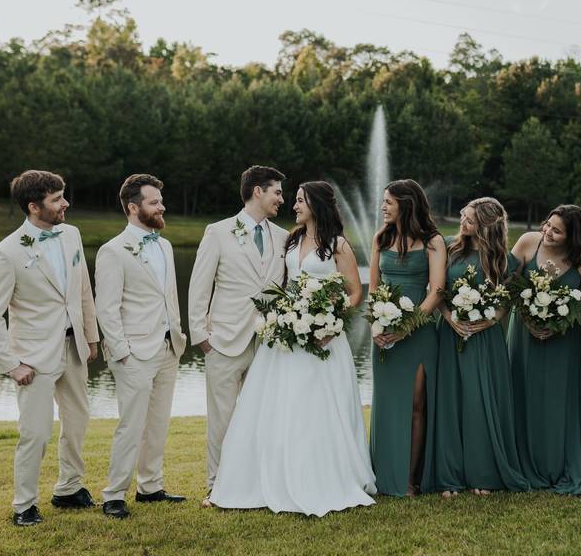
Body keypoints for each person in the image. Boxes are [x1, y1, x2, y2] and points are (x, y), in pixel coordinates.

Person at [210, 181, 376, 516]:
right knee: (280, 404)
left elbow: (355, 293)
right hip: (288, 336)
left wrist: (331, 321)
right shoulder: (292, 239)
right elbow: (286, 285)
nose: (294, 205)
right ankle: (268, 474)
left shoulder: (338, 245)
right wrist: (286, 316)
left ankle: (321, 475)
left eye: (300, 200)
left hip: (324, 339)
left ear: (316, 204)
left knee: (317, 406)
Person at [0, 170, 99, 526]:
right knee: (37, 433)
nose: (66, 204)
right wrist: (11, 364)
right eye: (57, 199)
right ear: (34, 206)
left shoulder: (72, 235)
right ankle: (24, 504)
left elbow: (82, 289)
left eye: (63, 196)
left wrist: (90, 336)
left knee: (77, 422)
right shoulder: (7, 252)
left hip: (73, 348)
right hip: (33, 358)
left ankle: (69, 489)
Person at [188, 166, 289, 508]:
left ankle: (257, 483)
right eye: (276, 191)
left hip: (270, 343)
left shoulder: (283, 237)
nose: (281, 199)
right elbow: (199, 286)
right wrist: (201, 334)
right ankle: (217, 486)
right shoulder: (217, 233)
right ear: (257, 192)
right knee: (222, 419)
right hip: (225, 339)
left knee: (261, 416)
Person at [96, 174, 188, 519]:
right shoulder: (112, 251)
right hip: (133, 352)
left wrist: (176, 336)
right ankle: (114, 495)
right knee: (130, 426)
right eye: (154, 202)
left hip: (167, 347)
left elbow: (169, 296)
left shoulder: (163, 244)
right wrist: (121, 352)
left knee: (158, 423)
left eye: (161, 201)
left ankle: (150, 487)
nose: (162, 207)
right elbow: (106, 308)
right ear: (133, 208)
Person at [508, 204, 581, 494]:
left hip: (564, 339)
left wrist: (559, 323)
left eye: (556, 231)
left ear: (572, 236)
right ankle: (521, 462)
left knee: (558, 399)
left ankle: (557, 464)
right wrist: (528, 319)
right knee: (523, 393)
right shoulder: (528, 242)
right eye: (547, 225)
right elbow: (509, 284)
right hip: (524, 335)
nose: (547, 233)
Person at [433, 197, 528, 497]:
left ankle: (483, 473)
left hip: (486, 339)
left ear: (487, 226)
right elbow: (436, 291)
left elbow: (512, 296)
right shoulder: (448, 249)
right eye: (463, 215)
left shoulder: (503, 259)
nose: (463, 222)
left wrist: (492, 319)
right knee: (451, 401)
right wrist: (450, 318)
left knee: (480, 402)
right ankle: (449, 477)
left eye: (470, 219)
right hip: (450, 334)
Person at [369, 179, 446, 496]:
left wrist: (407, 327)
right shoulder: (381, 237)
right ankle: (381, 476)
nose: (383, 206)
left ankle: (410, 479)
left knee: (416, 405)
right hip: (385, 334)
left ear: (406, 203)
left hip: (418, 333)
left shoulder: (433, 241)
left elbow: (438, 291)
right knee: (385, 405)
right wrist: (377, 324)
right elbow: (373, 288)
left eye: (388, 201)